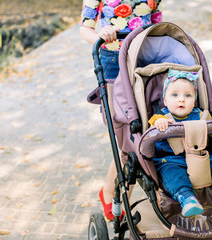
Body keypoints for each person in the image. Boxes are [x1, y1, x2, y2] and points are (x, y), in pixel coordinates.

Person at [80, 0, 163, 220]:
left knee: (147, 133)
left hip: (145, 60)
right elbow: (84, 29)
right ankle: (111, 193)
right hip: (112, 60)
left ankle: (142, 196)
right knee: (126, 141)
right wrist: (101, 34)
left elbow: (157, 25)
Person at [148, 69, 212, 217]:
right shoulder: (161, 117)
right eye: (174, 95)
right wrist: (159, 123)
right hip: (170, 160)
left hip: (200, 157)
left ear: (194, 99)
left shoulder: (201, 115)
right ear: (165, 100)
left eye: (187, 95)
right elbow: (151, 128)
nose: (181, 99)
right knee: (173, 175)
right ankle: (187, 198)